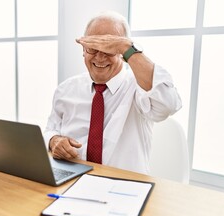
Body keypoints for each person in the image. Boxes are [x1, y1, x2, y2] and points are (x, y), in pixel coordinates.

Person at [43, 11, 182, 174]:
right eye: (93, 48)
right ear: (83, 49)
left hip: (125, 187)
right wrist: (54, 141)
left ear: (123, 54)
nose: (100, 57)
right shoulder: (65, 90)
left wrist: (126, 48)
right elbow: (50, 129)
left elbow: (168, 104)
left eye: (109, 49)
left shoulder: (139, 87)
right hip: (72, 181)